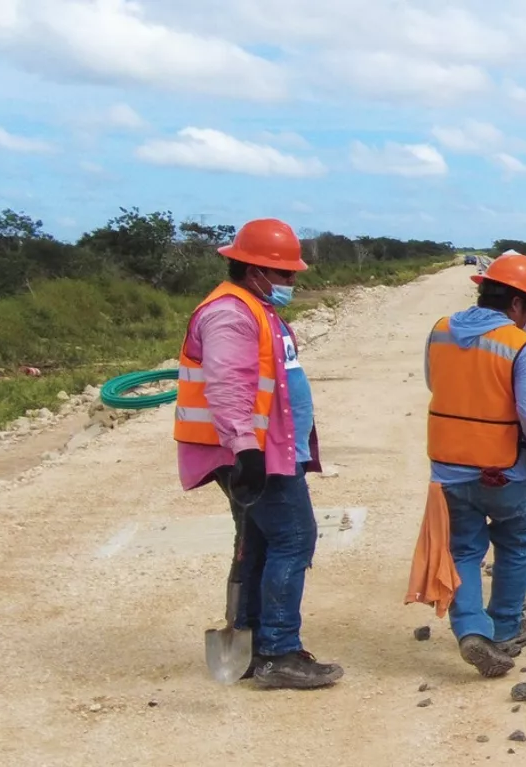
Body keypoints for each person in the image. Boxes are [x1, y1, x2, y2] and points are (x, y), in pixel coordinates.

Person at [173, 218, 342, 689]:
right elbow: (227, 386)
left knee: (261, 542)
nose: (292, 282)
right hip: (252, 453)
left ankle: (249, 644)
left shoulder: (255, 306)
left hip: (266, 449)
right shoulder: (230, 314)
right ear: (255, 269)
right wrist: (245, 449)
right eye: (285, 274)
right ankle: (280, 651)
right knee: (294, 538)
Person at [424, 252, 526, 677]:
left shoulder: (441, 330)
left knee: (463, 549)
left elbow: (434, 383)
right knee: (516, 544)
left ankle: (470, 629)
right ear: (518, 303)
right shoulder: (521, 345)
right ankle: (502, 630)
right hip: (504, 470)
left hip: (448, 467)